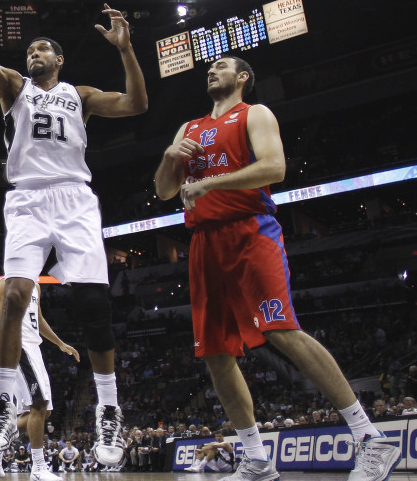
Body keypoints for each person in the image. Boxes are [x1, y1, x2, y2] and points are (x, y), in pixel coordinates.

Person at [153, 55, 401, 481]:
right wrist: (169, 155)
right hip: (203, 243)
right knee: (214, 352)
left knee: (282, 330)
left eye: (223, 66)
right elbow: (164, 191)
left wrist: (211, 182)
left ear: (243, 78)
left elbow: (275, 167)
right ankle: (256, 458)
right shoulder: (188, 129)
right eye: (209, 67)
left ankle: (369, 437)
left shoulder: (255, 114)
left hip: (250, 232)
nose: (212, 71)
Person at [0, 0, 147, 468]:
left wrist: (125, 49)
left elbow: (138, 103)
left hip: (75, 197)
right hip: (28, 199)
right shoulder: (13, 87)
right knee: (15, 293)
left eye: (42, 50)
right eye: (29, 50)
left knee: (92, 303)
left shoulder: (81, 95)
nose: (32, 55)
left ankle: (109, 410)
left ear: (60, 59)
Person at [0, 279, 79, 481]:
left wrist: (60, 343)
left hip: (34, 348)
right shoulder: (6, 283)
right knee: (39, 404)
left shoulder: (36, 286)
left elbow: (39, 320)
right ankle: (38, 467)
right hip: (18, 345)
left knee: (46, 411)